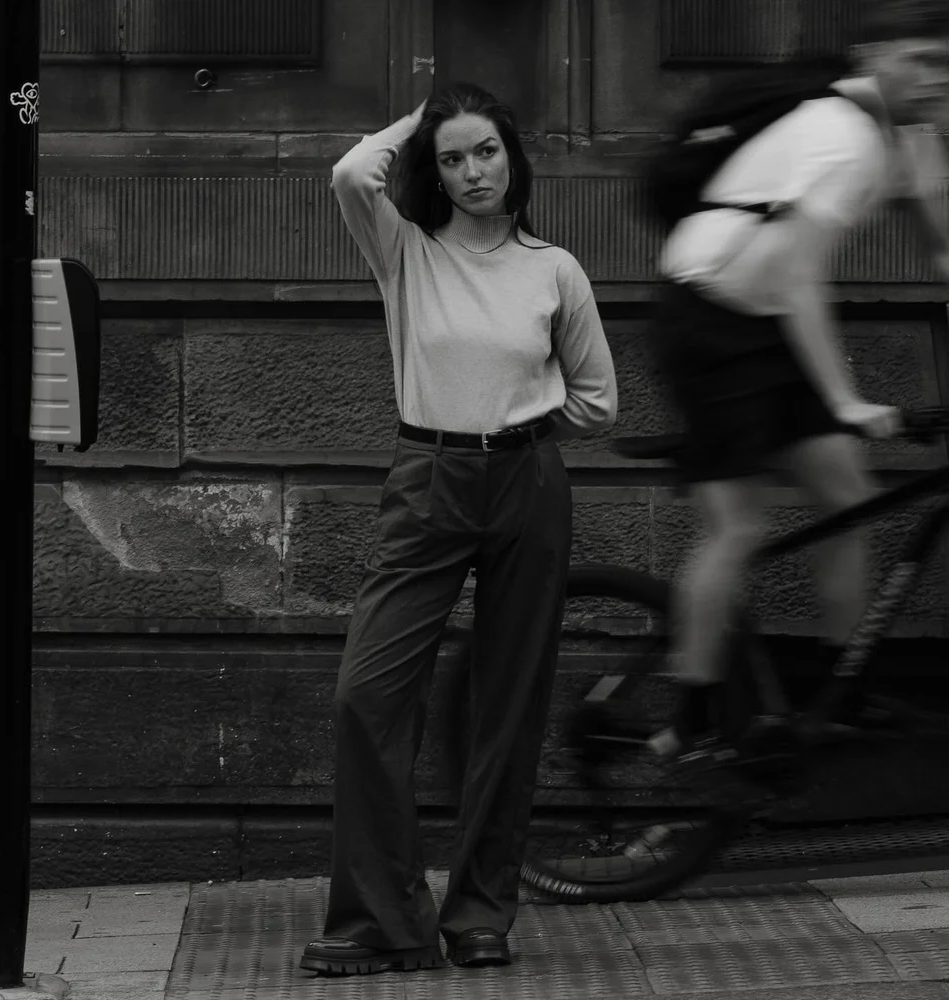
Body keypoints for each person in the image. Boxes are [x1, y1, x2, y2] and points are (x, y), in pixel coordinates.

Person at [299, 82, 618, 976]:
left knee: (508, 703)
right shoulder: (405, 250)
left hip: (527, 481)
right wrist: (424, 114)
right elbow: (350, 173)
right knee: (366, 695)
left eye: (486, 150)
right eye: (452, 158)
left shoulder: (554, 270)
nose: (473, 171)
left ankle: (481, 914)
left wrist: (520, 428)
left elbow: (598, 401)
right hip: (428, 477)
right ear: (432, 172)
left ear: (512, 157)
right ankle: (382, 921)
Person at [650, 0, 949, 773]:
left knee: (848, 501)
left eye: (946, 65)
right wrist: (845, 402)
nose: (935, 78)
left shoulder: (910, 138)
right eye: (919, 59)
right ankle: (692, 716)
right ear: (874, 58)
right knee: (738, 527)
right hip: (709, 321)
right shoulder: (841, 136)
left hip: (767, 324)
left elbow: (944, 249)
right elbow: (799, 277)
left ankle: (837, 693)